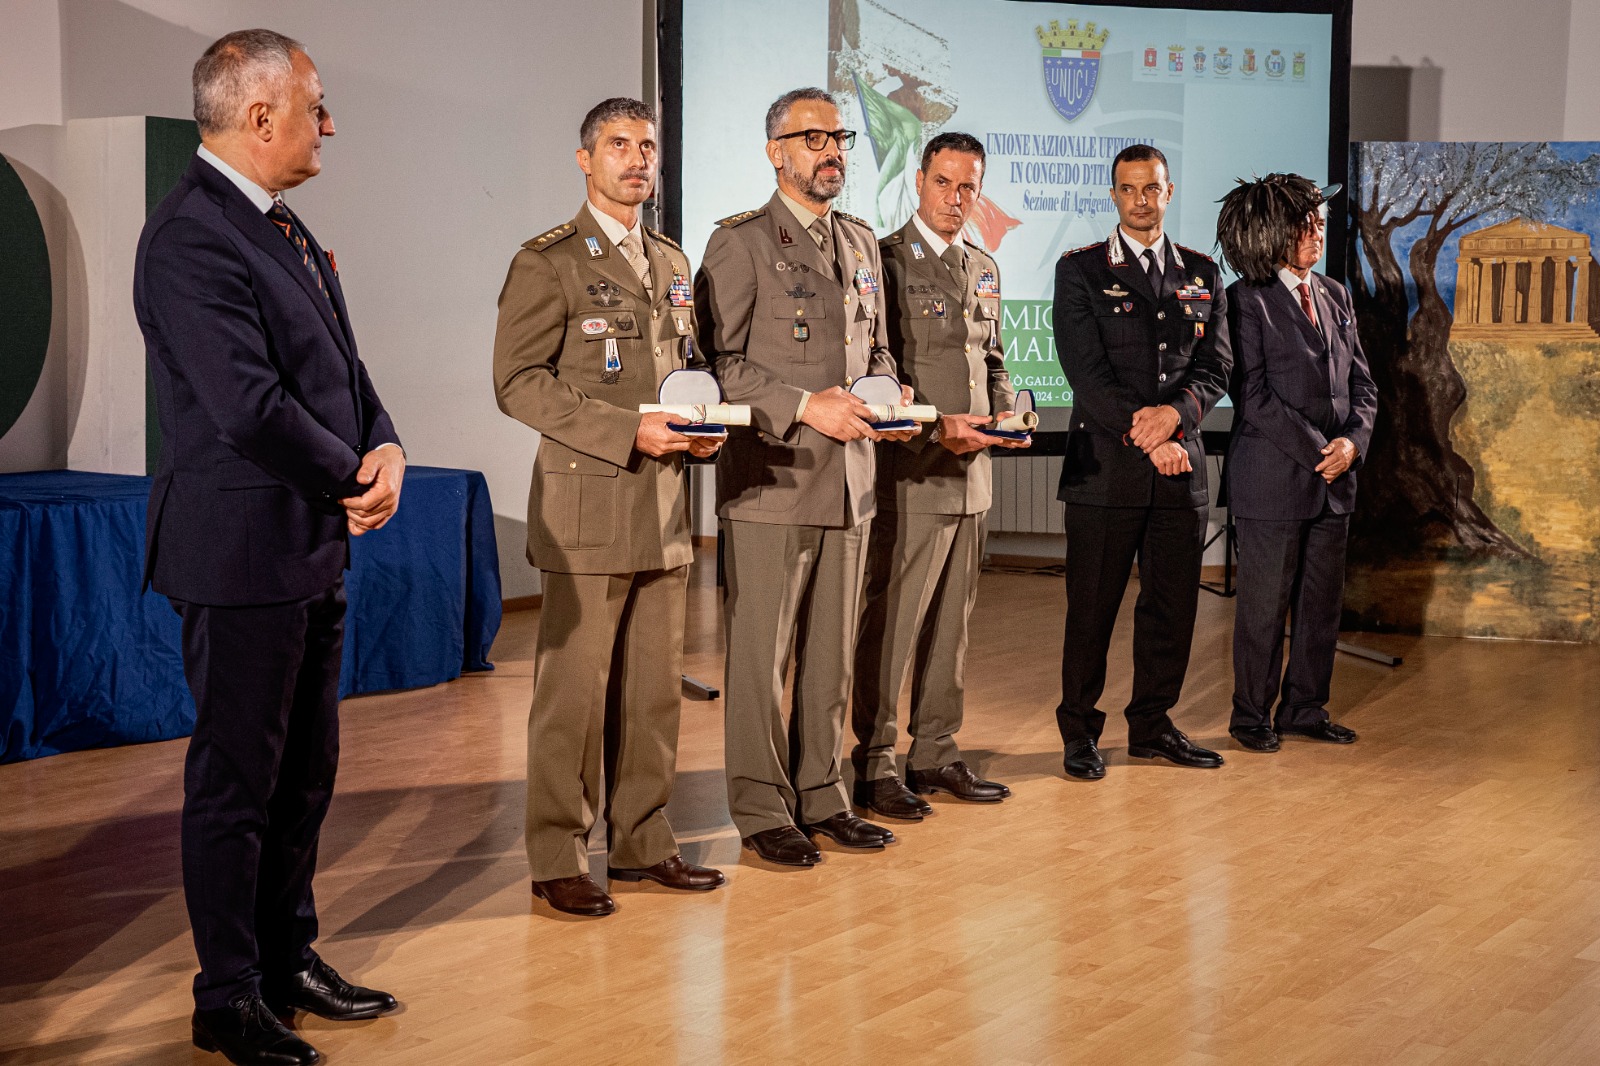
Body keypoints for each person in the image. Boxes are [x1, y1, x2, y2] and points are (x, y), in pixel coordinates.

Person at [135, 29, 401, 1066]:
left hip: (309, 541)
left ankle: (290, 956)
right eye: (315, 105)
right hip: (241, 548)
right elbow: (247, 407)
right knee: (238, 780)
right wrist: (351, 475)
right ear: (259, 116)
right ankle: (228, 992)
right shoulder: (190, 236)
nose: (326, 123)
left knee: (305, 771)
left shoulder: (281, 227)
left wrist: (384, 440)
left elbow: (342, 360)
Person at [493, 97, 726, 917]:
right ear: (585, 160)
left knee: (654, 694)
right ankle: (557, 854)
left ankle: (642, 842)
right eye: (619, 145)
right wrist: (630, 431)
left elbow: (685, 374)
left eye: (648, 146)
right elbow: (517, 383)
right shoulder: (547, 261)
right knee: (574, 699)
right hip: (587, 509)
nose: (637, 159)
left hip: (663, 507)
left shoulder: (669, 260)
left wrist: (704, 431)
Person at [693, 87, 915, 866]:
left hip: (853, 480)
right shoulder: (740, 242)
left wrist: (890, 390)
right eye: (812, 137)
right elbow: (718, 364)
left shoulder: (859, 242)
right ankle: (760, 808)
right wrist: (802, 405)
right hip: (773, 481)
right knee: (762, 658)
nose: (833, 151)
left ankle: (824, 795)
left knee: (829, 655)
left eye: (839, 136)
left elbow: (878, 348)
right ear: (774, 151)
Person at [851, 132, 1027, 820]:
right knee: (894, 624)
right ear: (918, 182)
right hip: (914, 472)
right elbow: (875, 370)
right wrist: (933, 428)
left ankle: (935, 751)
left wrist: (1010, 406)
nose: (956, 199)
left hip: (974, 477)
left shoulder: (985, 267)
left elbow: (995, 360)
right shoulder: (886, 263)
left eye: (968, 187)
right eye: (944, 183)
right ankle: (875, 762)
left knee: (951, 626)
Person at [1052, 144, 1234, 781]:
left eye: (1151, 188)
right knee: (1092, 609)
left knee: (1171, 607)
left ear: (1170, 191)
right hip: (1104, 469)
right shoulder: (1078, 270)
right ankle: (1079, 732)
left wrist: (1178, 418)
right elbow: (1087, 374)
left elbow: (1217, 369)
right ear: (1113, 195)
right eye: (1128, 190)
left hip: (1180, 472)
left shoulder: (1205, 273)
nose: (1141, 200)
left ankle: (1154, 725)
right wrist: (1152, 436)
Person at [1215, 174, 1377, 751]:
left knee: (1319, 605)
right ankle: (1251, 717)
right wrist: (1320, 452)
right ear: (1271, 231)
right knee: (1263, 608)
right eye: (1304, 223)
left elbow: (1363, 385)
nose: (1317, 231)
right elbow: (1253, 395)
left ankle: (1305, 708)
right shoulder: (1245, 300)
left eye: (1319, 221)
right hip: (1272, 479)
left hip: (1337, 480)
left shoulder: (1336, 293)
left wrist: (1352, 443)